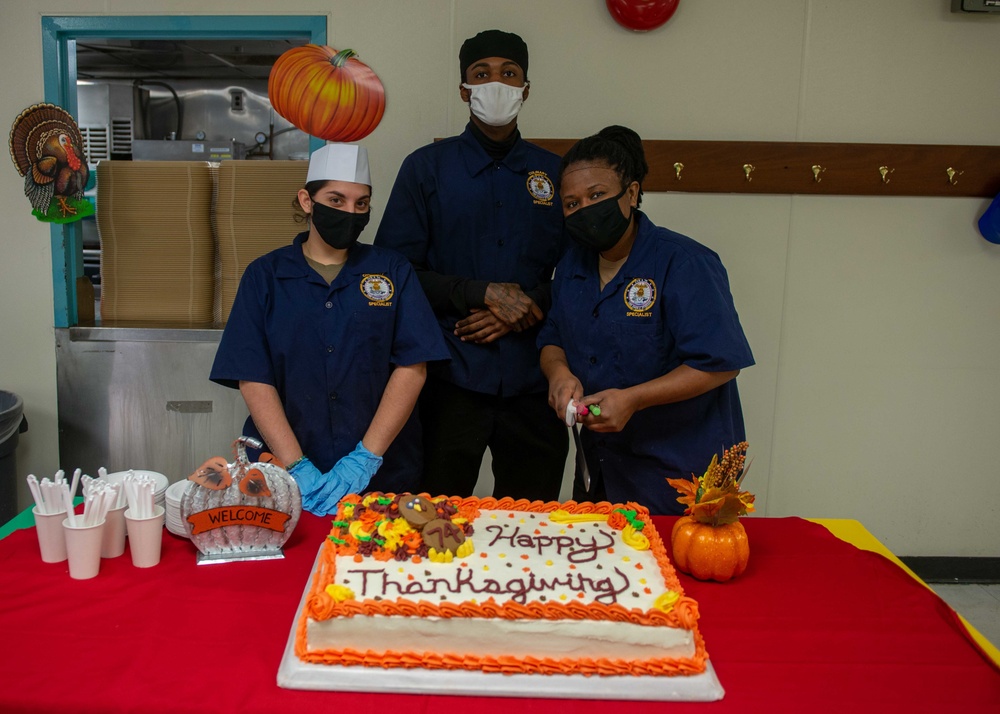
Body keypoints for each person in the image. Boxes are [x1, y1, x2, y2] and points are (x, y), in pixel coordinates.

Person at [374, 29, 568, 500]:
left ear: (526, 87)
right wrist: (479, 293)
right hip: (449, 377)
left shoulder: (557, 174)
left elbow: (583, 274)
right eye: (482, 74)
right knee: (436, 516)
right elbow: (394, 273)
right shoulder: (426, 169)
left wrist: (526, 305)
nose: (495, 83)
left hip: (534, 380)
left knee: (532, 521)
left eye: (509, 73)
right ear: (464, 90)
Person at [210, 143, 449, 515]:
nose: (350, 213)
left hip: (383, 474)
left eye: (361, 203)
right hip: (280, 471)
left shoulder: (393, 271)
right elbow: (252, 376)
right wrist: (296, 465)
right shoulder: (266, 276)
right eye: (336, 200)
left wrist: (365, 459)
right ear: (307, 201)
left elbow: (413, 366)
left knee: (376, 564)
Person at [538, 126, 754, 515]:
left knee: (678, 571)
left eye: (597, 195)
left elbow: (720, 364)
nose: (584, 209)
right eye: (571, 203)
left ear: (632, 193)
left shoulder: (684, 262)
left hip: (678, 474)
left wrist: (634, 400)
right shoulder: (572, 266)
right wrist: (558, 374)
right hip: (601, 469)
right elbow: (553, 336)